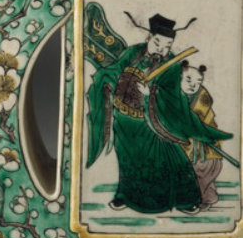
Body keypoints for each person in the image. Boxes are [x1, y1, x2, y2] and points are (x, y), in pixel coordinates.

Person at [86, 13, 233, 215]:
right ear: (149, 38)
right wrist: (110, 81)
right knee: (129, 162)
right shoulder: (133, 52)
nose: (161, 49)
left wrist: (151, 94)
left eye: (167, 46)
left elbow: (172, 96)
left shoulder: (171, 64)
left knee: (170, 159)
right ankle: (125, 196)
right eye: (157, 43)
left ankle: (185, 200)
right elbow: (114, 70)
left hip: (150, 122)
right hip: (124, 122)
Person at [180, 62, 223, 211]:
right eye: (188, 80)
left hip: (203, 146)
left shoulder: (202, 99)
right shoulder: (174, 96)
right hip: (184, 144)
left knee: (202, 169)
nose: (193, 85)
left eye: (198, 82)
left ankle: (202, 198)